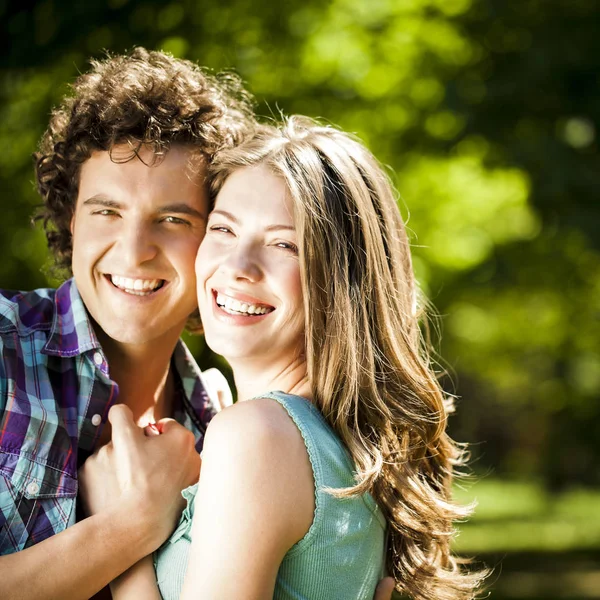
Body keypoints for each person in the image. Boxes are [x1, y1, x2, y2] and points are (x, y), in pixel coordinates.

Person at [0, 48, 395, 600]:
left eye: (172, 220)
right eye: (107, 211)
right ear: (71, 218)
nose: (134, 252)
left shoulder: (226, 425)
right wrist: (128, 527)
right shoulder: (5, 350)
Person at [82, 117, 486, 599]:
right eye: (224, 229)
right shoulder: (330, 440)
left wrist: (120, 537)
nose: (237, 266)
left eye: (283, 244)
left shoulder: (257, 435)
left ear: (343, 279)